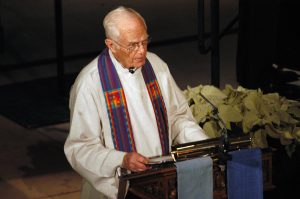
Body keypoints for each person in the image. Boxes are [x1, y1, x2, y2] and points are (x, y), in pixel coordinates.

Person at [64, 6, 208, 199]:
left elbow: (177, 118)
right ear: (111, 44)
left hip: (161, 181)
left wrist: (202, 144)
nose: (141, 51)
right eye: (132, 45)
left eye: (144, 41)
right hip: (116, 187)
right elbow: (80, 148)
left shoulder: (156, 66)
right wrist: (121, 159)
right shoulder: (90, 83)